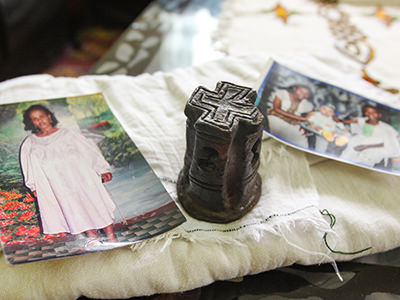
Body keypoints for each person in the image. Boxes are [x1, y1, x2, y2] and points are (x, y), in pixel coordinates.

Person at [20, 104, 118, 243]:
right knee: (73, 208)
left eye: (42, 116)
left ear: (49, 116)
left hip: (82, 177)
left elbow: (88, 150)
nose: (40, 121)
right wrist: (34, 186)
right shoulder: (30, 143)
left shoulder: (68, 134)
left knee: (96, 203)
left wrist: (102, 168)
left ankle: (111, 236)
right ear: (31, 122)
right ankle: (92, 236)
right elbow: (29, 167)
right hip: (58, 184)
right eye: (35, 119)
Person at [340, 104, 400, 169]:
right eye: (368, 112)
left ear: (379, 115)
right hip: (360, 142)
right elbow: (354, 122)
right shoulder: (363, 121)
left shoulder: (385, 128)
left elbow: (388, 142)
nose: (370, 115)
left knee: (366, 159)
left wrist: (366, 146)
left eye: (373, 113)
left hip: (374, 147)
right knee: (350, 149)